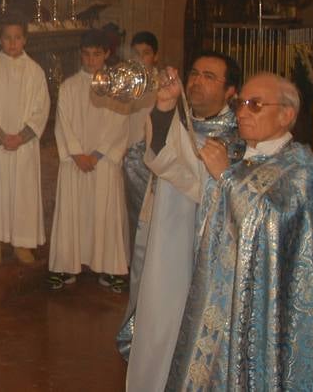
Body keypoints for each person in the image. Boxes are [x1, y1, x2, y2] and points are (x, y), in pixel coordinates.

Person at [147, 71, 313, 389]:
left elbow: (272, 228)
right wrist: (166, 108)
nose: (242, 111)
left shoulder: (301, 171)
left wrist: (226, 179)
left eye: (255, 104)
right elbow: (176, 167)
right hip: (214, 306)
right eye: (240, 102)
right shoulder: (232, 153)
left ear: (286, 115)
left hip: (259, 313)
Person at [118, 51, 244, 392]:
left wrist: (166, 115)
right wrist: (164, 106)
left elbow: (179, 162)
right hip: (164, 241)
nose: (196, 81)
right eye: (194, 73)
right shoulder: (180, 121)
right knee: (158, 323)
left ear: (231, 91)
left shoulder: (238, 140)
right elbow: (153, 158)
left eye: (209, 76)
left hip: (207, 254)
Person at [47, 29, 131, 292]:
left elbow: (120, 122)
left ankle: (110, 268)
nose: (91, 60)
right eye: (86, 54)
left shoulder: (118, 87)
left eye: (97, 54)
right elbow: (64, 123)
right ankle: (65, 266)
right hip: (75, 162)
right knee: (72, 211)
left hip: (103, 162)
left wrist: (96, 155)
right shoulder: (69, 86)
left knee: (105, 213)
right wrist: (76, 153)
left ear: (107, 53)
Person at [0, 14, 50, 266]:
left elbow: (41, 110)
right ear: (0, 39)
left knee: (23, 192)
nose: (13, 43)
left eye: (17, 38)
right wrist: (2, 137)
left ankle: (22, 242)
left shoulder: (35, 71)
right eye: (7, 38)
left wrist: (22, 137)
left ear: (25, 39)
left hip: (24, 144)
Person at [120, 30, 160, 246]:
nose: (140, 58)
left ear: (155, 56)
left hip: (153, 155)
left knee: (149, 209)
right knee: (127, 209)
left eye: (145, 53)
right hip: (126, 151)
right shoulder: (124, 83)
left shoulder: (163, 83)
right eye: (136, 53)